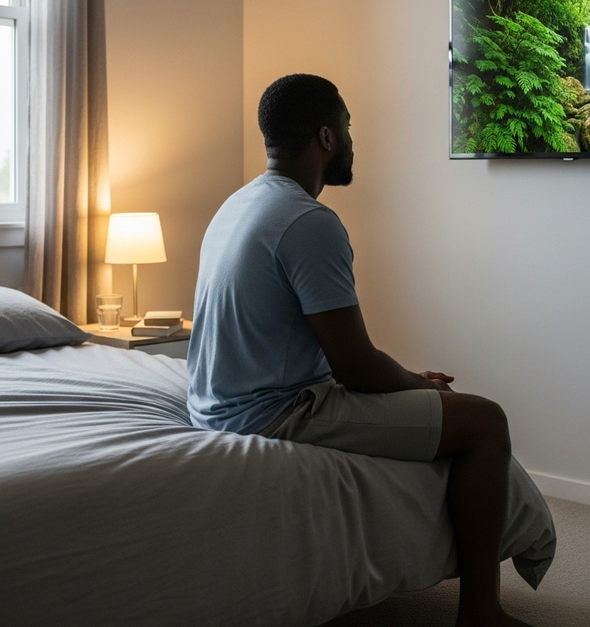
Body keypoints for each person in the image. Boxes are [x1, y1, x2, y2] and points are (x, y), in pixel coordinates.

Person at [187, 73, 535, 627]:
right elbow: (356, 369)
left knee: (441, 400)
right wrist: (420, 386)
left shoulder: (240, 203)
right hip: (270, 414)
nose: (353, 139)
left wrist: (405, 382)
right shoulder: (309, 221)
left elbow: (332, 354)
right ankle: (481, 612)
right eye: (348, 126)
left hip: (213, 403)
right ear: (326, 137)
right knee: (486, 422)